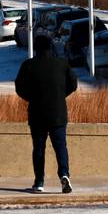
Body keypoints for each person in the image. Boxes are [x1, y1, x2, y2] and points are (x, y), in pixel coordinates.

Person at [15, 35, 78, 194]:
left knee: (39, 148)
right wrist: (59, 94)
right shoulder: (62, 64)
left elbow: (19, 87)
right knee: (60, 146)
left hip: (37, 112)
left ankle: (39, 181)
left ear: (36, 48)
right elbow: (73, 84)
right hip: (58, 112)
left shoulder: (29, 65)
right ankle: (64, 174)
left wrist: (31, 98)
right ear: (51, 47)